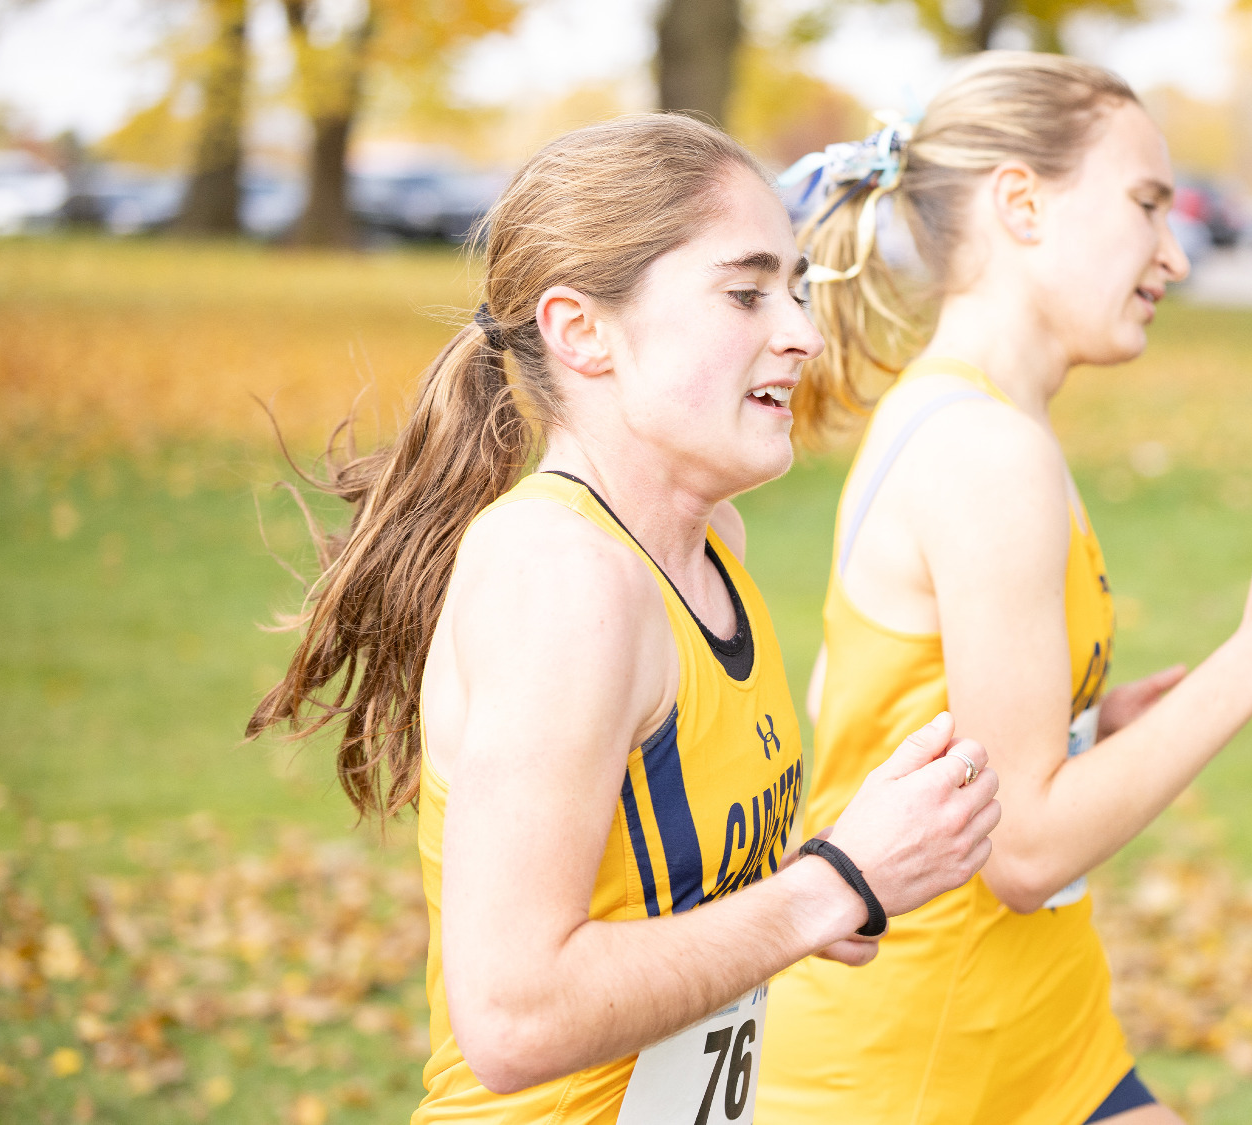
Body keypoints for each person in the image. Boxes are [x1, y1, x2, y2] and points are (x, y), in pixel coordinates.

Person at [247, 114, 1001, 1125]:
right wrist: (832, 884)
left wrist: (854, 849)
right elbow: (514, 1015)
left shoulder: (707, 546)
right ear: (581, 331)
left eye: (795, 288)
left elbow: (659, 896)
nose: (800, 333)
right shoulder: (564, 577)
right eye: (744, 293)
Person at [758, 53, 1252, 1125]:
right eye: (1145, 206)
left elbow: (932, 731)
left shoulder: (985, 418)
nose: (1173, 256)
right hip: (918, 1070)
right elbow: (1026, 851)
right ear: (1021, 204)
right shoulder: (983, 447)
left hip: (1046, 1036)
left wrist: (1086, 720)